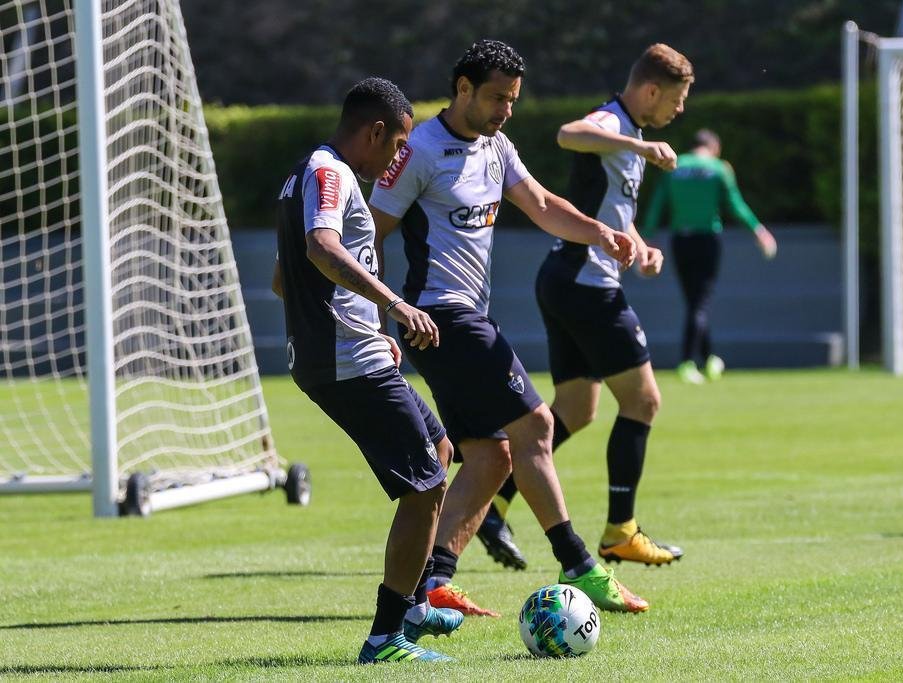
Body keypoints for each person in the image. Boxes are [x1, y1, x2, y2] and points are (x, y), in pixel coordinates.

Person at [369, 40, 648, 617]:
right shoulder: (418, 149)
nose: (506, 110)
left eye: (513, 100)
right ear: (463, 88)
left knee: (491, 457)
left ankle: (433, 581)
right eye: (497, 97)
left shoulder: (496, 146)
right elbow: (371, 234)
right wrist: (379, 320)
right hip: (440, 315)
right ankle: (581, 565)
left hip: (464, 317)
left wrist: (599, 231)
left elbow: (542, 203)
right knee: (537, 426)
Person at [476, 44, 693, 572]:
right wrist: (638, 149)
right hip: (584, 284)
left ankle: (492, 505)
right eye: (678, 100)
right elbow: (568, 133)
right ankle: (621, 530)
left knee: (576, 410)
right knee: (643, 402)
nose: (679, 111)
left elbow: (612, 212)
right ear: (650, 91)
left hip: (569, 280)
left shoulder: (631, 135)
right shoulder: (613, 121)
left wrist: (639, 248)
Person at [272, 77, 463, 665]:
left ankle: (407, 602)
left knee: (440, 447)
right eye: (397, 143)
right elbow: (321, 249)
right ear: (375, 131)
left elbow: (285, 279)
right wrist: (393, 306)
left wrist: (364, 326)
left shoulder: (307, 174)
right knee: (425, 488)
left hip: (351, 352)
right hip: (346, 362)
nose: (397, 159)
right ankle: (386, 638)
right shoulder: (329, 173)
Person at [643, 128, 777, 384]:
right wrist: (758, 230)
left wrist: (646, 236)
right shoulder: (718, 168)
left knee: (693, 300)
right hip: (707, 240)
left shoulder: (675, 164)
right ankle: (687, 361)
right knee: (700, 302)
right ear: (714, 148)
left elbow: (658, 203)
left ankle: (710, 357)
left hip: (680, 240)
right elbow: (736, 204)